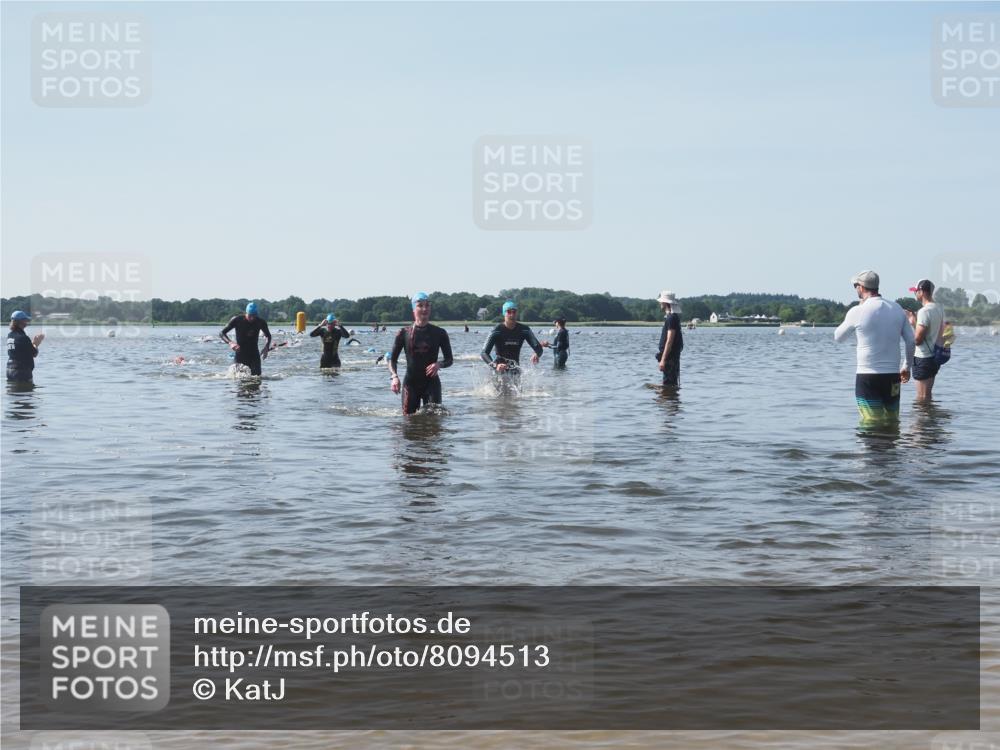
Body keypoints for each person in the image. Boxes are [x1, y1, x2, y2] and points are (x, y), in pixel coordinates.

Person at [834, 270, 915, 422]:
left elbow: (838, 337)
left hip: (867, 376)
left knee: (870, 423)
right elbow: (911, 341)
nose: (855, 289)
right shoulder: (897, 308)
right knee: (892, 420)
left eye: (855, 286)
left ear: (861, 287)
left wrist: (854, 314)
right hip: (892, 376)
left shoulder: (858, 311)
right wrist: (907, 367)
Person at [389, 292, 453, 414]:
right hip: (411, 384)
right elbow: (392, 360)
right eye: (420, 305)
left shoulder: (440, 333)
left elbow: (449, 359)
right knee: (408, 423)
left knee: (434, 424)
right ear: (414, 309)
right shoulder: (403, 333)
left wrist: (439, 364)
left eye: (427, 305)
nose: (425, 309)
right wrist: (394, 377)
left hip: (432, 384)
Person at [480, 300, 543, 384]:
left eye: (514, 312)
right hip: (499, 368)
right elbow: (484, 353)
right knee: (499, 395)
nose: (512, 315)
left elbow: (538, 348)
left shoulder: (524, 330)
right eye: (509, 312)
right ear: (504, 313)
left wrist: (536, 354)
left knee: (517, 394)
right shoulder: (497, 330)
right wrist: (495, 366)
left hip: (515, 368)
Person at [909, 279, 946, 402]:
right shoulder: (939, 308)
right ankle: (930, 419)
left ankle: (923, 420)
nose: (914, 293)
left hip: (923, 358)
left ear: (922, 292)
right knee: (927, 395)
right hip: (935, 356)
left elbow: (918, 339)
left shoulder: (924, 311)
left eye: (916, 291)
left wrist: (913, 323)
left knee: (922, 397)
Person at [220, 302, 272, 376]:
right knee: (239, 380)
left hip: (254, 354)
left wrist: (266, 347)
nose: (252, 318)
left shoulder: (260, 322)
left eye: (254, 316)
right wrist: (230, 343)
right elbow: (222, 333)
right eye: (250, 316)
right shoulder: (237, 320)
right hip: (240, 354)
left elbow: (268, 336)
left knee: (257, 378)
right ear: (246, 313)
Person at [656, 291, 684, 387]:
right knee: (670, 385)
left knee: (668, 385)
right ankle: (671, 400)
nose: (660, 303)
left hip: (670, 358)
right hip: (671, 357)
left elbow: (669, 341)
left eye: (661, 301)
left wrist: (663, 360)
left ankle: (669, 400)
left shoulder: (671, 318)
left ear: (665, 303)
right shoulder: (672, 317)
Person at [7, 311, 44, 383]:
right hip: (21, 372)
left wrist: (32, 343)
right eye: (25, 320)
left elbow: (21, 350)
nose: (27, 321)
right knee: (26, 392)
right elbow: (34, 353)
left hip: (9, 370)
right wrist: (36, 343)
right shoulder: (23, 337)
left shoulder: (10, 335)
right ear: (21, 321)